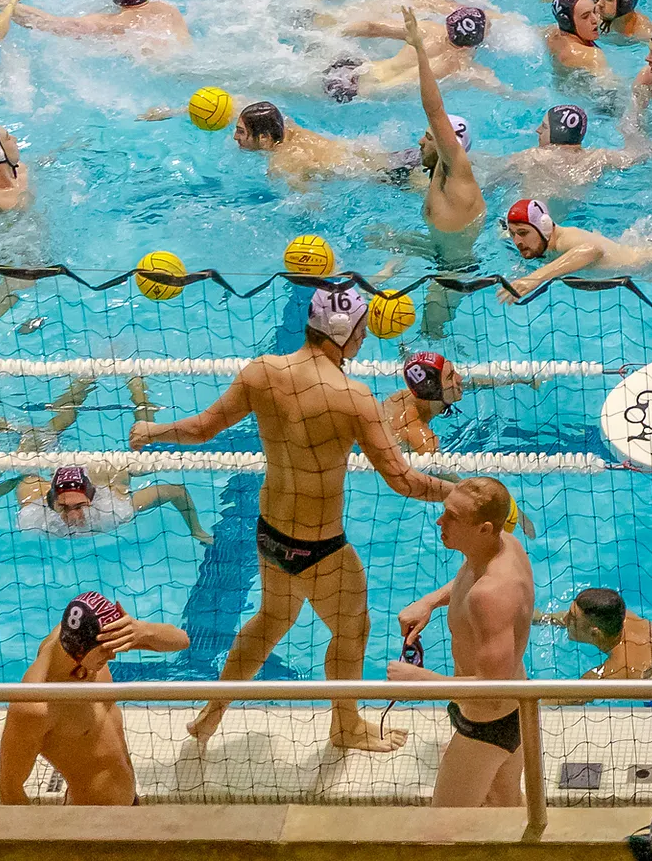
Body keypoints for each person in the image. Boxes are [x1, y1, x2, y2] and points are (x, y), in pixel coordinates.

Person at [126, 279, 451, 750]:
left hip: (270, 533)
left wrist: (153, 429)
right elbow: (404, 481)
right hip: (321, 548)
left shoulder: (262, 372)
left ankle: (212, 712)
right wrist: (459, 493)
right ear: (345, 333)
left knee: (270, 620)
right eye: (361, 330)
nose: (364, 339)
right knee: (352, 630)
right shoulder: (353, 396)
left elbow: (201, 429)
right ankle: (346, 727)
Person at [384, 478, 534, 808]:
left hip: (487, 727)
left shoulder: (490, 595)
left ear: (483, 528)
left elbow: (494, 690)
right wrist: (429, 601)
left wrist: (421, 681)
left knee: (440, 832)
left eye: (452, 516)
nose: (440, 521)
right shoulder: (503, 545)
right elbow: (468, 580)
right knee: (505, 808)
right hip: (513, 714)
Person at [0, 590, 188, 805]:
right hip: (89, 825)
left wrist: (142, 630)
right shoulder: (35, 705)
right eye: (105, 651)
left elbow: (182, 641)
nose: (113, 655)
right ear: (79, 650)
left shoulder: (86, 637)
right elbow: (8, 787)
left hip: (130, 803)